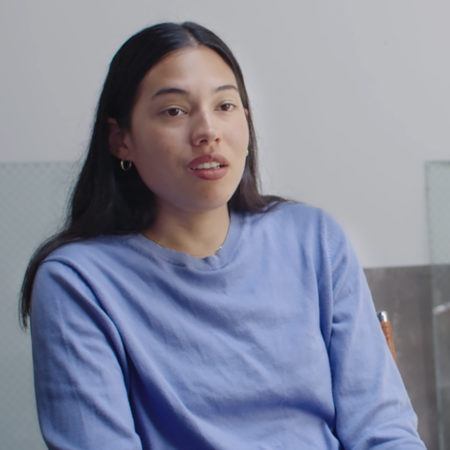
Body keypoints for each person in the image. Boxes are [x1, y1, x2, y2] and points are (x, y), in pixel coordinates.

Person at [21, 22, 426, 449]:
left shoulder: (314, 239)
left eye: (225, 105)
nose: (207, 131)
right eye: (174, 111)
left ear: (246, 123)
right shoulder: (78, 282)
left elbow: (383, 430)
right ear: (121, 140)